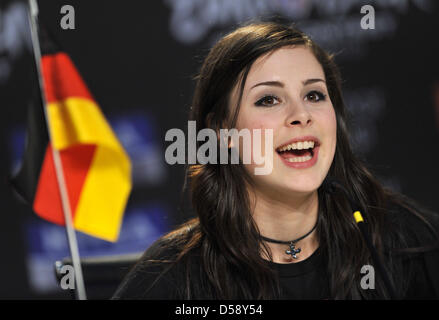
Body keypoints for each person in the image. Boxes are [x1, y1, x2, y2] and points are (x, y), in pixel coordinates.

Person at [112, 21, 439, 300]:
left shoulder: (409, 242)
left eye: (314, 95)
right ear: (222, 131)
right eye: (269, 99)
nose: (301, 115)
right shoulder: (174, 277)